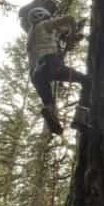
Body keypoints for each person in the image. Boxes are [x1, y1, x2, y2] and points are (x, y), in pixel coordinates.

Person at [27, 7, 88, 135]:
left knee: (49, 103)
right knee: (86, 81)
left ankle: (52, 117)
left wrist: (69, 39)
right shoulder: (45, 25)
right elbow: (70, 19)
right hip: (50, 63)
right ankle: (81, 115)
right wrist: (71, 36)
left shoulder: (32, 36)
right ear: (45, 15)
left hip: (36, 75)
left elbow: (57, 38)